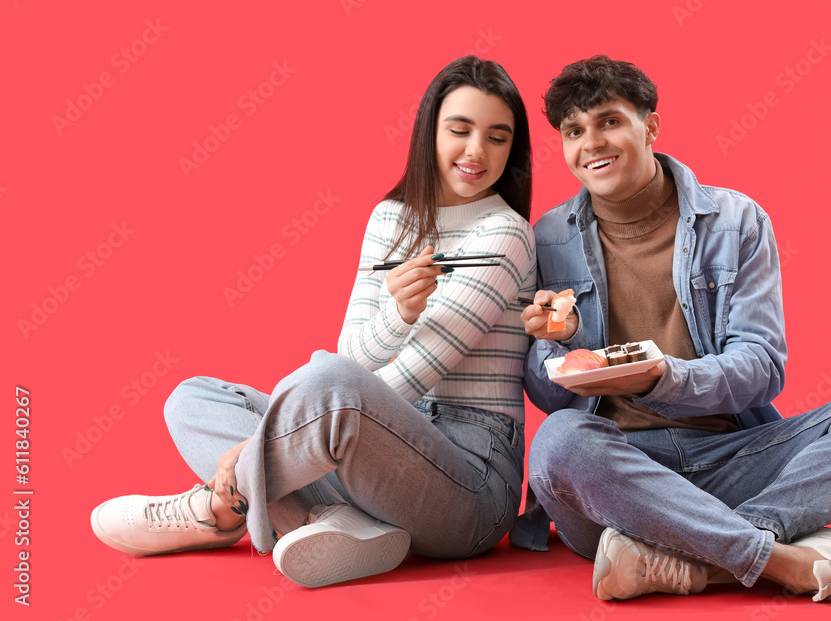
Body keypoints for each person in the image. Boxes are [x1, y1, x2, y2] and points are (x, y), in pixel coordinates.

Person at [512, 55, 831, 603]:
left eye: (608, 121)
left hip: (735, 459)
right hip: (619, 477)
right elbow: (550, 395)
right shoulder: (549, 236)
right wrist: (558, 341)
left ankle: (704, 557)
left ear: (649, 124)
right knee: (558, 443)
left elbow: (762, 369)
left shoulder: (737, 221)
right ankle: (787, 563)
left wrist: (661, 379)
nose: (591, 144)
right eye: (574, 131)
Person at [90, 56, 537, 588]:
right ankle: (325, 524)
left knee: (329, 383)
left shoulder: (505, 235)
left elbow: (408, 375)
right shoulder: (389, 218)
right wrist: (397, 314)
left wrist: (268, 435)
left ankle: (218, 508)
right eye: (459, 130)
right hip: (373, 453)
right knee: (192, 398)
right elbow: (353, 353)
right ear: (429, 132)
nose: (475, 152)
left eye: (497, 137)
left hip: (471, 484)